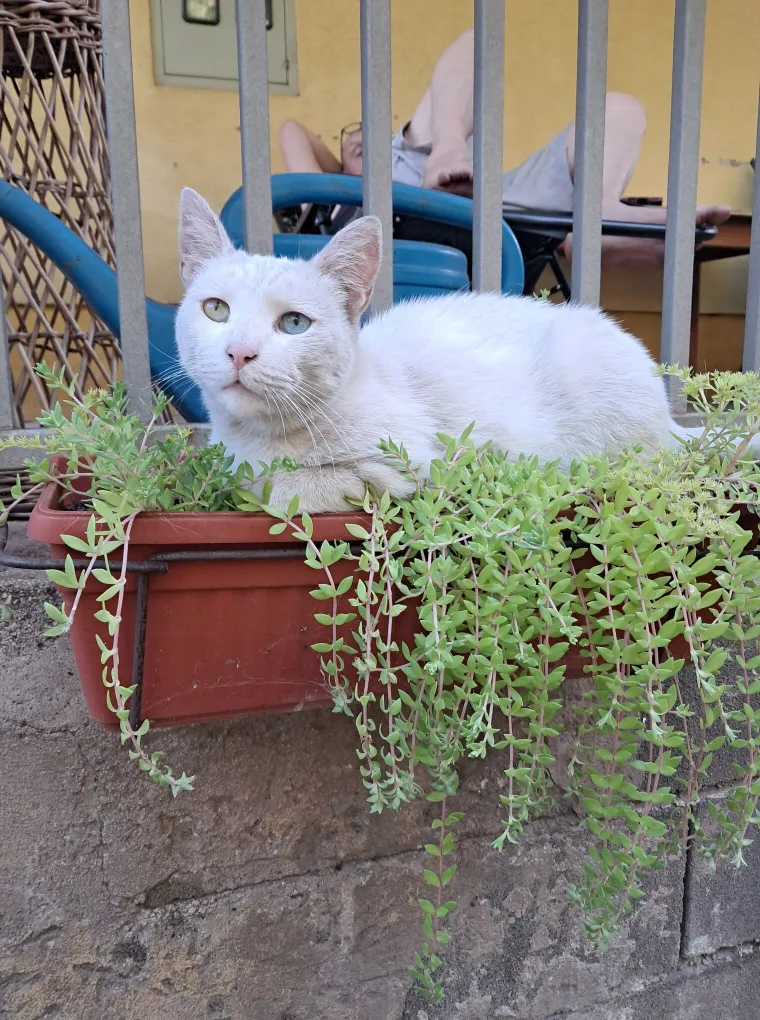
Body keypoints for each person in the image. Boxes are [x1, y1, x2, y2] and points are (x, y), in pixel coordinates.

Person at [278, 28, 731, 268]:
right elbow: (291, 130)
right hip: (402, 205)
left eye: (368, 134)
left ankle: (600, 211)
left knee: (620, 108)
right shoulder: (334, 200)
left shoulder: (407, 145)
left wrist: (440, 149)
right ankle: (451, 162)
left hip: (486, 196)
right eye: (351, 140)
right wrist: (339, 178)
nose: (362, 139)